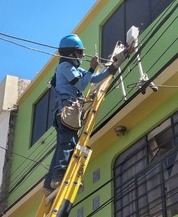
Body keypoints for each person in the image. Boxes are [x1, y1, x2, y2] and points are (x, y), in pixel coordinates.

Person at [41, 34, 127, 196]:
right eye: (80, 53)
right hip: (66, 110)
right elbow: (82, 83)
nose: (82, 56)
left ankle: (48, 185)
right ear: (71, 53)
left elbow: (94, 79)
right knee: (68, 145)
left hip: (67, 112)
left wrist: (114, 66)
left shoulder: (75, 69)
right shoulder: (64, 67)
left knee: (63, 145)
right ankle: (58, 178)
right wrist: (92, 67)